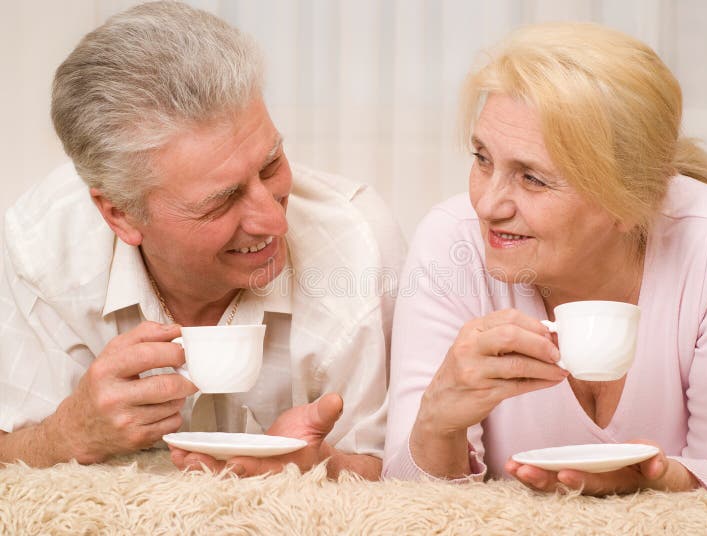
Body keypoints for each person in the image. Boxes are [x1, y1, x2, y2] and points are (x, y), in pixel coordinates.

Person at [382, 22, 707, 496]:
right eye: (482, 159)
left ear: (630, 200)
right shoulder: (449, 244)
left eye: (532, 178)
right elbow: (406, 503)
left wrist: (659, 481)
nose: (487, 205)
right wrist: (438, 424)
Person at [0, 1, 405, 480]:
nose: (273, 221)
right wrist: (65, 435)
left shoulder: (357, 245)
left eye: (271, 164)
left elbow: (405, 478)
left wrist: (317, 468)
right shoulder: (41, 245)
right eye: (223, 199)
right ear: (120, 213)